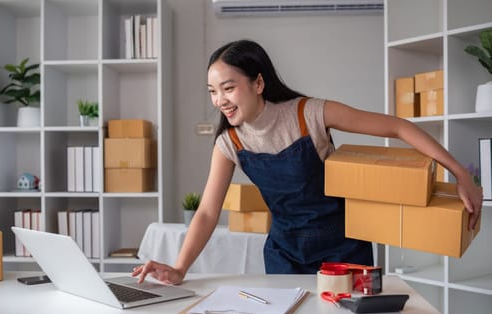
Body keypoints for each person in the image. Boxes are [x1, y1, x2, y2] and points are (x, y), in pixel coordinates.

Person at [133, 39, 483, 284]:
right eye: (212, 91)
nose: (220, 100)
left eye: (228, 87)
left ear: (258, 83)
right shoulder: (229, 142)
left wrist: (459, 174)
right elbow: (208, 212)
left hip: (346, 247)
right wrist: (179, 268)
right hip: (285, 255)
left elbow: (397, 126)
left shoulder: (310, 113)